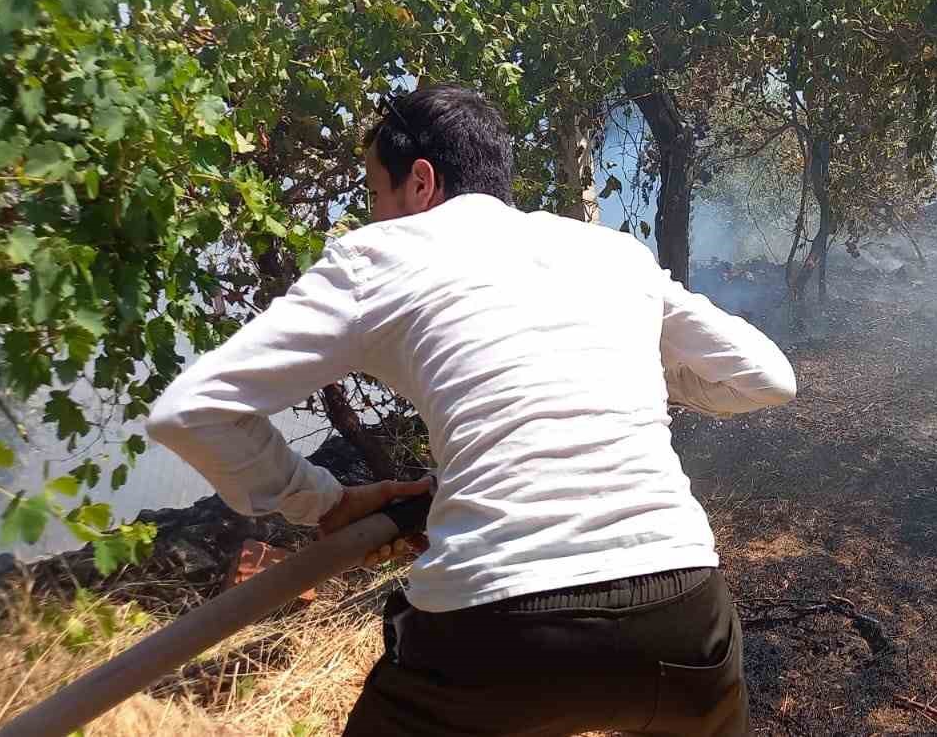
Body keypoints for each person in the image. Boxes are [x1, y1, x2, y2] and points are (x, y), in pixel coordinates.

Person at [146, 85, 796, 736]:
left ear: (421, 181)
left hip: (494, 625)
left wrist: (319, 501)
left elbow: (194, 410)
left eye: (373, 193)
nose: (369, 215)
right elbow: (764, 378)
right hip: (680, 610)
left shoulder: (376, 257)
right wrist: (619, 371)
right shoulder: (610, 252)